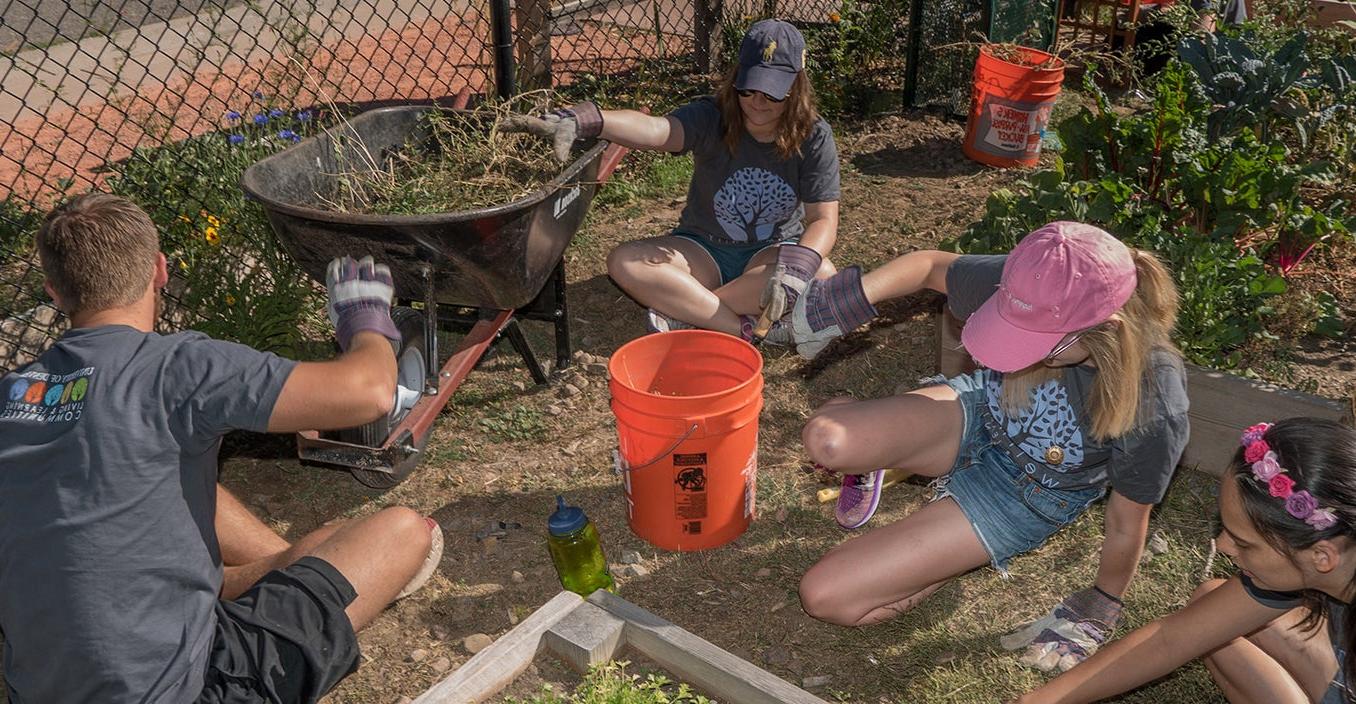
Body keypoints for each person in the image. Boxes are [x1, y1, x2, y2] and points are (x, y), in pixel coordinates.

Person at [0, 193, 443, 702]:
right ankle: (280, 578)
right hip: (188, 691)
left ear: (54, 292)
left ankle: (269, 572)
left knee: (153, 471)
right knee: (405, 532)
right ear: (160, 271)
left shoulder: (11, 394)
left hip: (40, 690)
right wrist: (364, 319)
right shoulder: (180, 366)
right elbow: (368, 393)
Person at [794, 222, 1190, 673]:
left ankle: (940, 555)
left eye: (1036, 342)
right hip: (983, 409)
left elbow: (1125, 522)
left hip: (1029, 491)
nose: (1017, 351)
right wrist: (841, 303)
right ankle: (884, 464)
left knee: (828, 597)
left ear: (1104, 329)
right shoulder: (1040, 282)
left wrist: (1100, 604)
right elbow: (927, 266)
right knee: (827, 438)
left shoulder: (1154, 399)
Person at [502, 19, 840, 343]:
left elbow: (823, 219)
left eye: (773, 92)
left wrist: (796, 267)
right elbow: (656, 131)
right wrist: (591, 119)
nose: (758, 101)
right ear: (736, 77)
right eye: (749, 88)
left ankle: (688, 311)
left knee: (821, 272)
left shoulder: (814, 136)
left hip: (769, 254)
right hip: (702, 249)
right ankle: (740, 329)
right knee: (624, 261)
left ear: (796, 86)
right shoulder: (711, 116)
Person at [1016, 418, 1356, 704]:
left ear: (1322, 556)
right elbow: (1170, 640)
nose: (1221, 546)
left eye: (1244, 543)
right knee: (1211, 599)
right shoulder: (1329, 558)